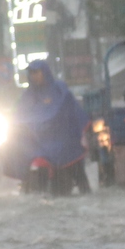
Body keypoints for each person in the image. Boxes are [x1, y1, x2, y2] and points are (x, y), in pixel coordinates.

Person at [12, 58, 91, 194]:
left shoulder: (59, 89)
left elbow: (71, 108)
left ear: (45, 72)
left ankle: (84, 191)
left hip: (63, 140)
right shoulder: (27, 96)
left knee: (77, 170)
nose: (34, 76)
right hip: (39, 143)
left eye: (37, 72)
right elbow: (20, 116)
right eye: (32, 73)